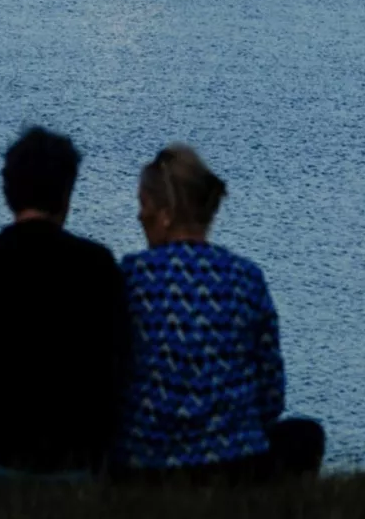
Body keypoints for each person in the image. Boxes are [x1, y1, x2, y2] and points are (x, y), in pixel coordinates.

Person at [0, 127, 128, 483]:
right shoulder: (97, 265)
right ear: (68, 194)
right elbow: (120, 382)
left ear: (8, 193)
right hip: (74, 464)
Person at [116, 144, 324, 482]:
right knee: (306, 434)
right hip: (237, 464)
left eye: (144, 204)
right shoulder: (246, 277)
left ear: (165, 213)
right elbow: (271, 394)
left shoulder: (131, 276)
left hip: (143, 464)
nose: (140, 215)